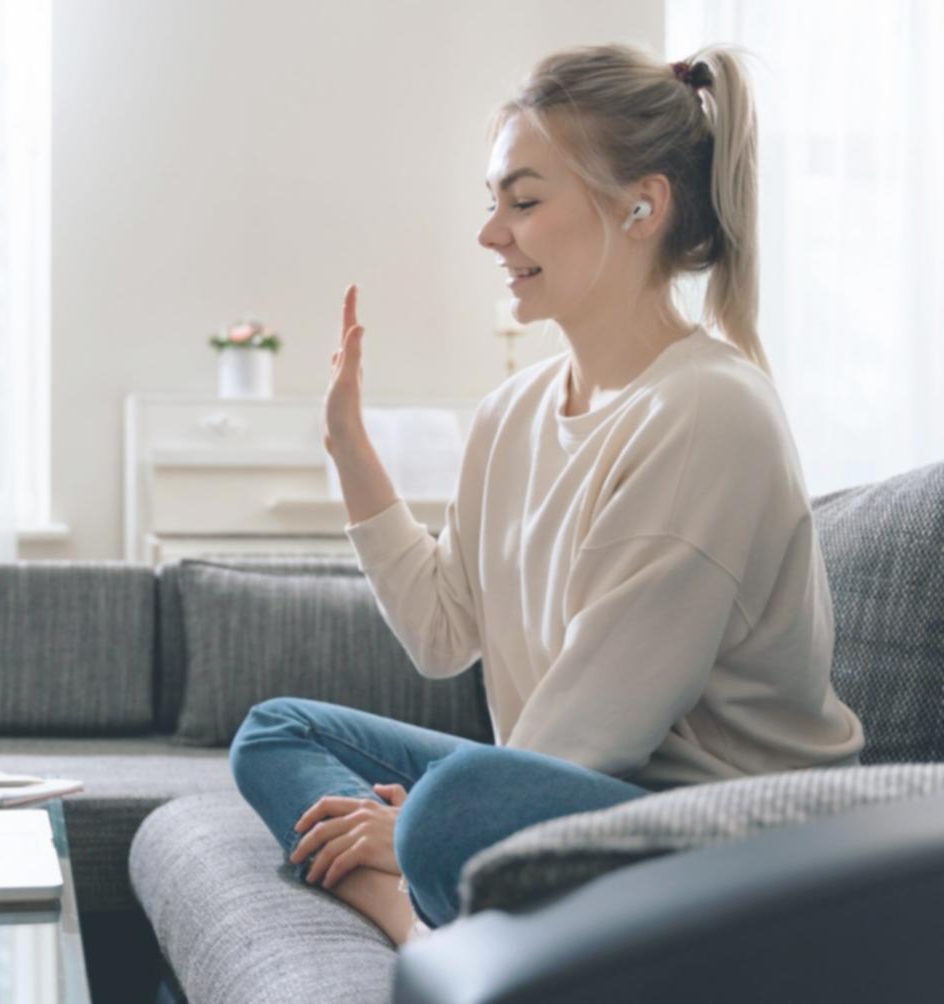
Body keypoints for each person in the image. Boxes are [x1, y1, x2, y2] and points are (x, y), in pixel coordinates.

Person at [229, 42, 866, 947]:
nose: (491, 234)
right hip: (570, 791)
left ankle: (432, 911)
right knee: (276, 731)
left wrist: (414, 828)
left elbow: (591, 737)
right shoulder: (511, 413)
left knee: (456, 806)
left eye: (523, 202)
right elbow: (442, 635)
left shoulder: (706, 414)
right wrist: (350, 452)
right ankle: (418, 921)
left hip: (732, 840)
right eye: (492, 203)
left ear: (642, 206)